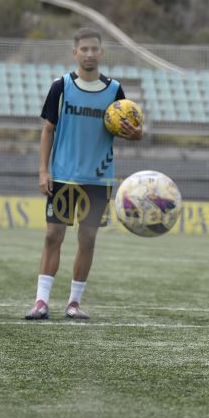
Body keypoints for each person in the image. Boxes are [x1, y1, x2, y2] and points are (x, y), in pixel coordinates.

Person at [24, 28, 143, 320]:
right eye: (84, 49)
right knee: (53, 235)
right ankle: (41, 302)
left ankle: (74, 303)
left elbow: (133, 130)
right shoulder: (61, 86)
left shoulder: (115, 90)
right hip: (63, 175)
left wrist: (136, 133)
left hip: (98, 178)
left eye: (94, 49)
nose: (89, 54)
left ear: (101, 53)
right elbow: (48, 129)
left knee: (87, 238)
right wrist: (44, 170)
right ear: (75, 52)